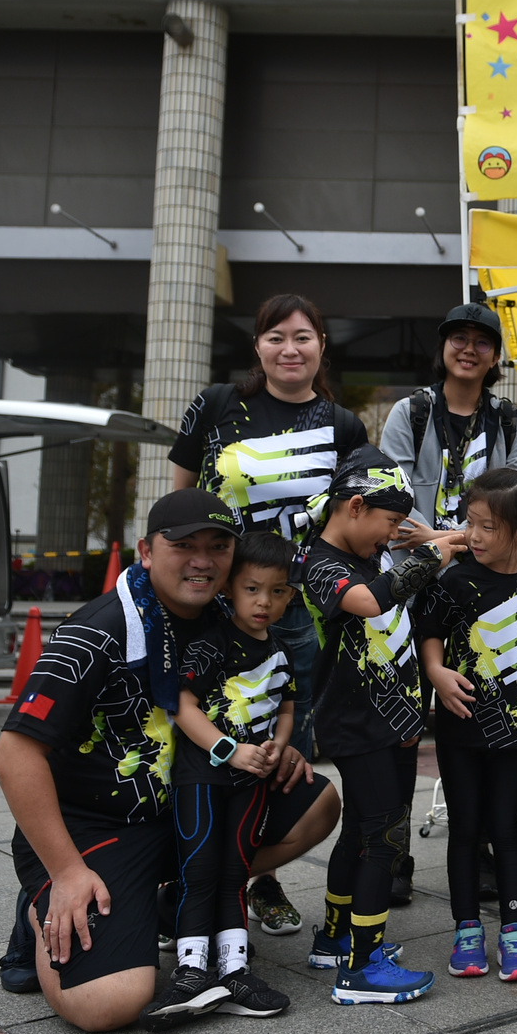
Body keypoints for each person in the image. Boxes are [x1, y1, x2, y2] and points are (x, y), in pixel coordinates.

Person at [0, 490, 333, 1032]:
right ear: (146, 551)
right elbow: (13, 754)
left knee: (319, 802)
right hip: (99, 828)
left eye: (218, 546)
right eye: (184, 546)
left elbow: (258, 694)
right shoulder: (97, 629)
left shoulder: (232, 614)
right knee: (109, 1004)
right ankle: (42, 905)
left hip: (193, 801)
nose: (202, 561)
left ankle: (178, 900)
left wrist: (275, 743)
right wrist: (66, 871)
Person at [169, 293, 367, 933]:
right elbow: (180, 496)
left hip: (300, 608)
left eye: (303, 336)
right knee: (196, 727)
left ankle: (258, 880)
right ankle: (182, 872)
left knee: (286, 744)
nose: (290, 348)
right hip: (217, 598)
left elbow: (354, 517)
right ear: (257, 346)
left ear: (321, 346)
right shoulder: (219, 404)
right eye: (276, 336)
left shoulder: (343, 425)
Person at [301, 447, 461, 1005]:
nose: (393, 534)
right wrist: (432, 555)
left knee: (362, 831)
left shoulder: (367, 554)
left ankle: (335, 939)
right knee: (385, 838)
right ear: (355, 506)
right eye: (390, 522)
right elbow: (368, 604)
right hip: (357, 726)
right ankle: (362, 968)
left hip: (391, 723)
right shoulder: (321, 562)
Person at [151, 532, 301, 1027]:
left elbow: (286, 706)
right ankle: (191, 973)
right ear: (229, 588)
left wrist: (278, 744)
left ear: (290, 595)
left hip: (251, 781)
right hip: (201, 778)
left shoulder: (281, 650)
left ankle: (234, 972)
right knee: (198, 872)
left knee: (236, 873)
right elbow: (183, 705)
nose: (264, 602)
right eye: (252, 589)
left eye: (277, 591)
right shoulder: (212, 642)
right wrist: (228, 751)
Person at [415, 469, 517, 981]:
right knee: (465, 829)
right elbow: (428, 631)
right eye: (469, 522)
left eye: (487, 527)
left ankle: (515, 931)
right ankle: (466, 928)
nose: (472, 535)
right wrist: (435, 671)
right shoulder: (453, 580)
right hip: (461, 728)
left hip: (515, 733)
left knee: (507, 829)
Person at [380, 301, 517, 536]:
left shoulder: (513, 422)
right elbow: (391, 492)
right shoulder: (409, 413)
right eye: (459, 339)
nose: (469, 349)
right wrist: (432, 545)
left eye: (482, 343)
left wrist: (442, 538)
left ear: (495, 357)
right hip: (414, 553)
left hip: (486, 556)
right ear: (443, 346)